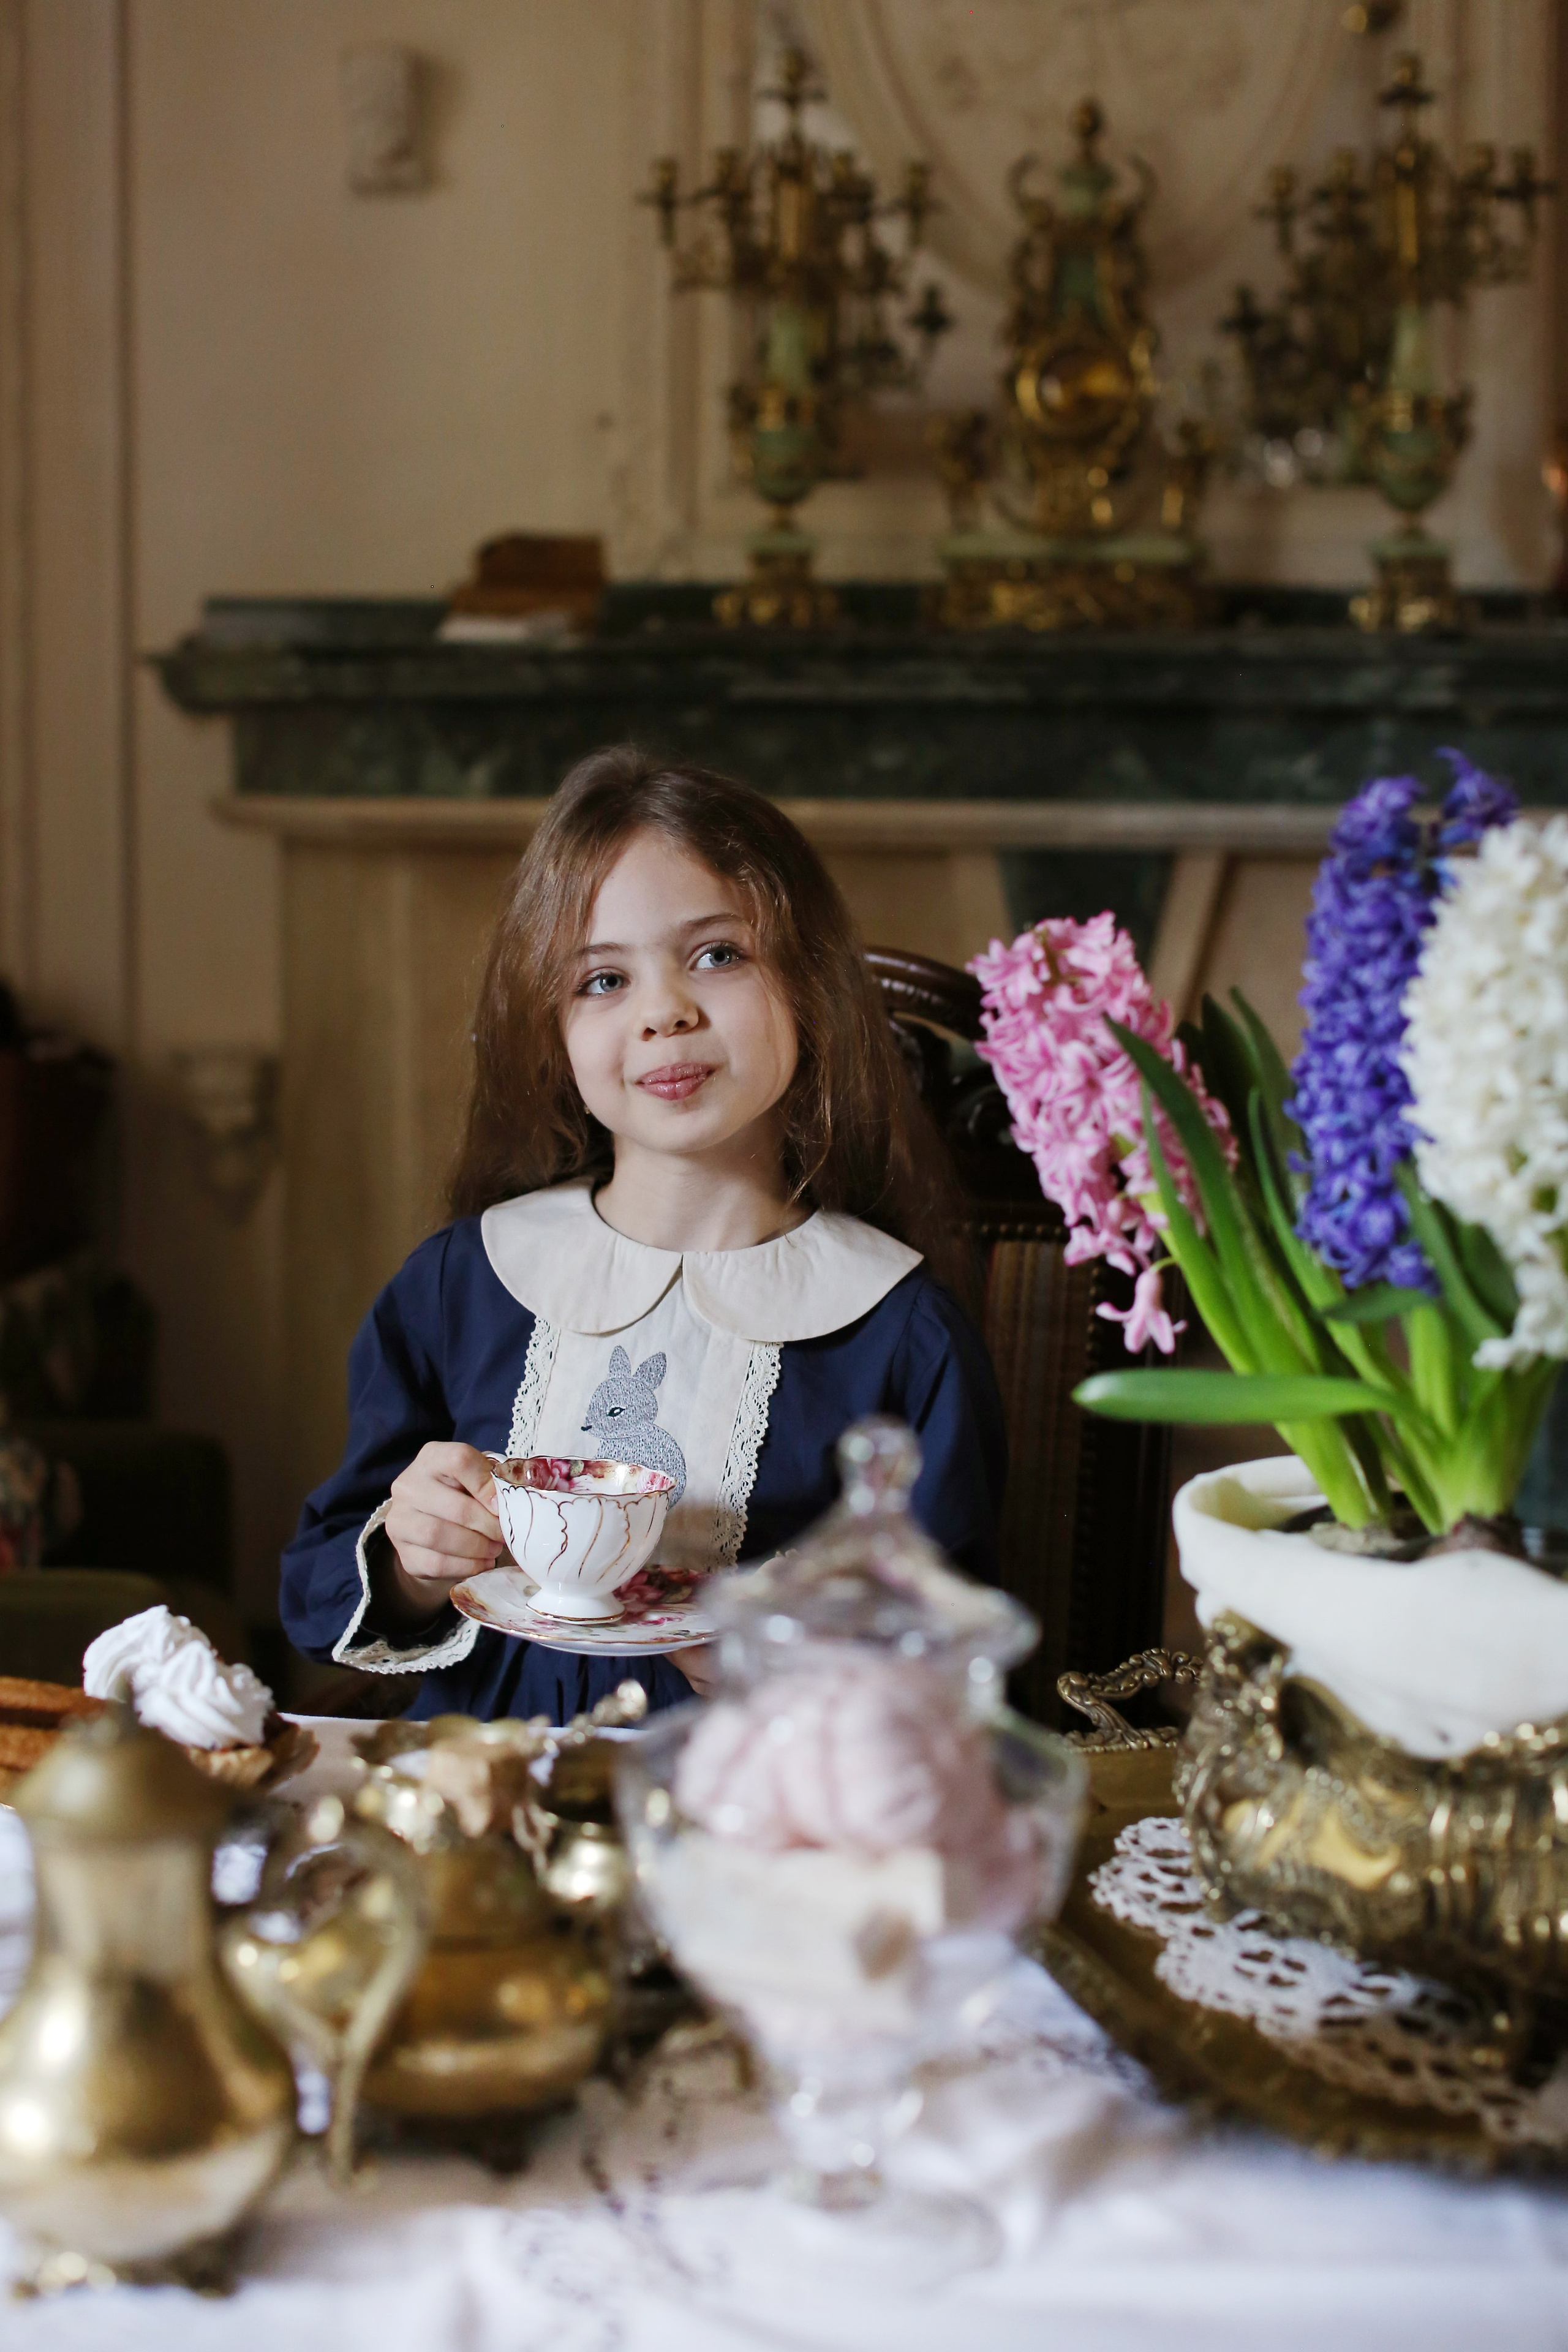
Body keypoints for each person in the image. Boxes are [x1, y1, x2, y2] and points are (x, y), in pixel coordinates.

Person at [281, 747, 1006, 1722]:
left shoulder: (902, 1333)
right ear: (549, 1031)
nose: (665, 1012)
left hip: (757, 1819)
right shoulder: (462, 1284)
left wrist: (807, 1668)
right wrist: (414, 1560)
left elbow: (967, 1659)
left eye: (717, 954)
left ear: (808, 983)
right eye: (603, 980)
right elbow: (318, 1584)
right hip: (484, 1802)